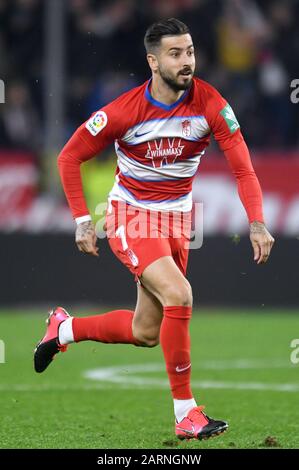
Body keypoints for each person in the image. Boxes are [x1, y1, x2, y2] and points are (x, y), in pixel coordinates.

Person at [34, 18, 275, 441]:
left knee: (146, 332)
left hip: (178, 222)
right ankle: (186, 414)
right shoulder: (123, 111)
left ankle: (64, 329)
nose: (187, 62)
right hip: (132, 215)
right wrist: (81, 220)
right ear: (153, 61)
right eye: (175, 54)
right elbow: (68, 157)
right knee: (180, 294)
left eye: (191, 52)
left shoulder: (211, 104)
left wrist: (256, 222)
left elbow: (243, 166)